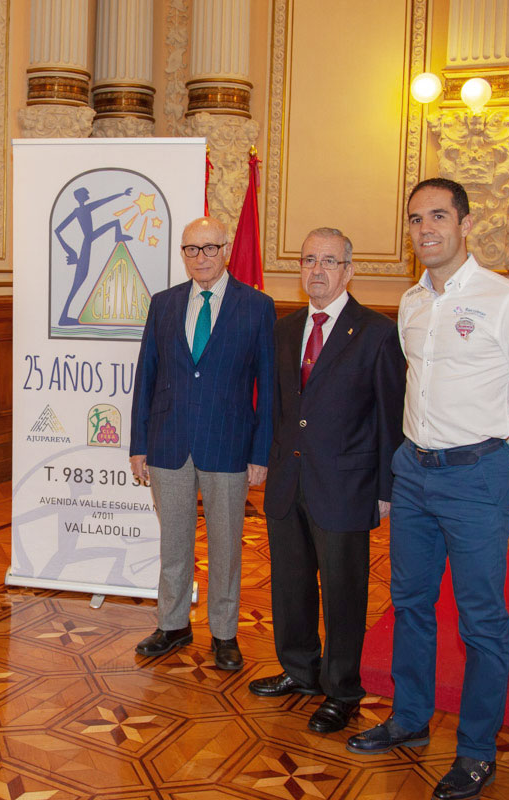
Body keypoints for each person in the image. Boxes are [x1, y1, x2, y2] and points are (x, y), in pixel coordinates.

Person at [346, 178, 509, 800]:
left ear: (466, 224)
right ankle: (411, 720)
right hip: (413, 471)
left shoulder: (507, 300)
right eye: (415, 219)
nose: (425, 229)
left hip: (477, 474)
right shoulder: (412, 303)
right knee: (410, 604)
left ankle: (475, 751)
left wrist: (499, 462)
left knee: (482, 621)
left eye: (438, 216)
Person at [253, 228, 405, 734]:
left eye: (328, 261)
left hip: (345, 485)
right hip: (288, 480)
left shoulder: (377, 332)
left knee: (343, 593)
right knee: (291, 586)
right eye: (308, 260)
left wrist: (386, 489)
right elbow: (277, 407)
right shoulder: (285, 327)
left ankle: (342, 689)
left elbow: (389, 416)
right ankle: (300, 670)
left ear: (348, 270)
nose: (316, 270)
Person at [129, 216, 275, 669]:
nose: (201, 258)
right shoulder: (164, 304)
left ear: (225, 249)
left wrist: (260, 452)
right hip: (169, 441)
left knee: (227, 545)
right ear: (183, 254)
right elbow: (146, 377)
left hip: (229, 444)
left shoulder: (257, 306)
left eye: (210, 248)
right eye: (192, 250)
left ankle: (225, 633)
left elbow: (268, 387)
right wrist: (138, 444)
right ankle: (172, 624)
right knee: (173, 541)